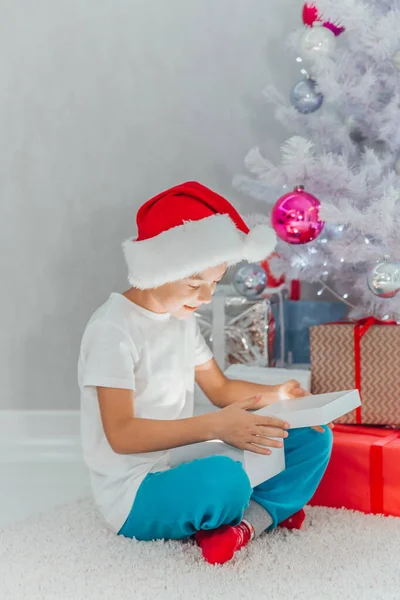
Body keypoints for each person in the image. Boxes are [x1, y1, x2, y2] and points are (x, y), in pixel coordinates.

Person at [78, 181, 333, 565]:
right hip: (134, 491)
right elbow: (122, 434)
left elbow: (220, 387)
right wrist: (216, 427)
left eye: (213, 283)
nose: (205, 297)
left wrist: (280, 395)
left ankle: (245, 524)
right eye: (194, 284)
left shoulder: (179, 320)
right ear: (157, 270)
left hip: (178, 456)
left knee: (311, 438)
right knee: (223, 480)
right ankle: (265, 511)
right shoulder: (112, 329)